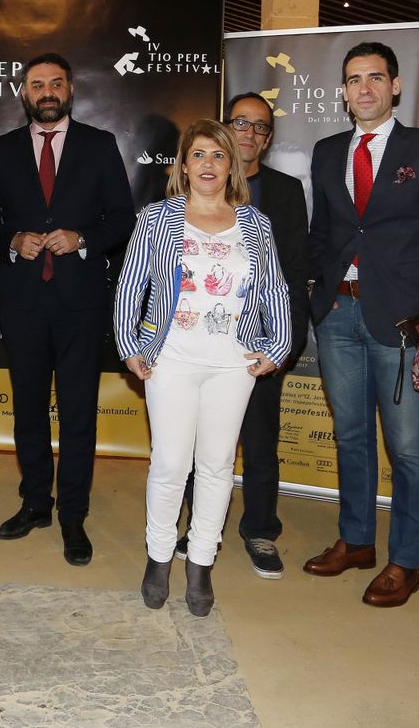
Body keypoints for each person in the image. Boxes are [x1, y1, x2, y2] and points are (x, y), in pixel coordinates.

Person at [303, 41, 419, 608]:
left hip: (403, 320)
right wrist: (315, 293)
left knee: (408, 448)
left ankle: (405, 560)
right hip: (338, 314)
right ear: (343, 91)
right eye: (354, 79)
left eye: (375, 78)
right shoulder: (327, 151)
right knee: (350, 435)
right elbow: (323, 232)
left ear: (397, 86)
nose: (364, 88)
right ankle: (357, 539)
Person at [116, 120, 292, 616]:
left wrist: (277, 346)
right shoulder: (156, 218)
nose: (208, 164)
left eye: (218, 155)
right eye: (198, 154)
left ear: (232, 164)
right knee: (171, 463)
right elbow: (131, 284)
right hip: (170, 358)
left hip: (232, 363)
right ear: (184, 165)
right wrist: (129, 344)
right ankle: (158, 558)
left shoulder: (255, 224)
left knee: (216, 466)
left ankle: (200, 563)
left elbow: (274, 289)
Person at [0, 52, 135, 566]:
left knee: (78, 414)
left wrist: (82, 237)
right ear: (24, 93)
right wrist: (12, 238)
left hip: (80, 304)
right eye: (37, 84)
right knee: (28, 411)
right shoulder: (2, 149)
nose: (47, 92)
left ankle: (73, 516)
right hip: (22, 300)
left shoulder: (99, 144)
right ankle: (34, 504)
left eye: (56, 83)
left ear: (70, 90)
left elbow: (122, 217)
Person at [174, 93, 311, 578]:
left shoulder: (286, 192)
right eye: (241, 123)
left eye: (260, 126)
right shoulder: (188, 189)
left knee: (259, 439)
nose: (250, 133)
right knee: (195, 444)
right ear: (224, 130)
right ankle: (196, 527)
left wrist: (283, 345)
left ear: (268, 139)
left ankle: (260, 530)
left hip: (258, 346)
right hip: (193, 346)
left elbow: (293, 274)